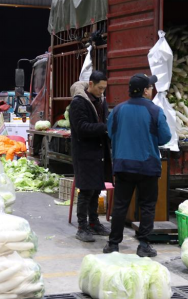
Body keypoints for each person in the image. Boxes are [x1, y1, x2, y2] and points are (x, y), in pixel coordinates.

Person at [103, 73, 171, 257]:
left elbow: (110, 133)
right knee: (147, 205)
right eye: (150, 87)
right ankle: (143, 245)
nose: (152, 90)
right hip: (147, 166)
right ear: (145, 90)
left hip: (123, 165)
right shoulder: (155, 111)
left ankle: (113, 244)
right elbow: (165, 138)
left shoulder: (117, 110)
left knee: (120, 205)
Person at [69, 70, 112, 242]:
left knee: (96, 189)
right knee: (86, 190)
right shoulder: (79, 103)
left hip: (99, 151)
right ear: (91, 84)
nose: (102, 92)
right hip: (84, 153)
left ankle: (94, 223)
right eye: (100, 88)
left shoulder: (101, 101)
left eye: (104, 89)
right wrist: (104, 127)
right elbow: (81, 128)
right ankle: (82, 227)